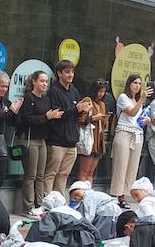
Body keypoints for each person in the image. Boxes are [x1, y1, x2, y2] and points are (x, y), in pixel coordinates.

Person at [43, 59, 89, 198]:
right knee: (51, 173)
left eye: (72, 72)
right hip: (56, 140)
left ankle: (59, 202)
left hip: (71, 140)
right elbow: (58, 114)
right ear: (59, 73)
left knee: (64, 175)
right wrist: (76, 109)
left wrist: (85, 111)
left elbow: (77, 113)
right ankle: (47, 202)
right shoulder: (53, 91)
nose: (70, 75)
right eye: (67, 72)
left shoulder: (74, 91)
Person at [17, 69, 56, 217]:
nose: (45, 84)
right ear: (33, 81)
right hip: (29, 139)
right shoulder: (28, 98)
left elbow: (47, 119)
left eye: (46, 81)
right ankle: (28, 206)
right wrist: (46, 117)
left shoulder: (46, 99)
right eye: (42, 81)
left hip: (42, 139)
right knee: (30, 175)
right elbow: (27, 119)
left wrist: (52, 117)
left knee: (41, 175)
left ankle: (40, 205)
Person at [28, 191, 97, 247]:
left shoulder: (51, 215)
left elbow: (44, 234)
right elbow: (94, 232)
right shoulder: (77, 214)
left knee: (38, 227)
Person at [109, 74, 145, 201]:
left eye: (140, 83)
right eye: (135, 83)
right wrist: (141, 100)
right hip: (124, 132)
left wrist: (147, 119)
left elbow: (137, 118)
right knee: (121, 165)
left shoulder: (138, 101)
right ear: (129, 84)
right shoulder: (123, 97)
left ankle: (125, 195)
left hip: (137, 134)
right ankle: (117, 195)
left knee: (132, 167)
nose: (137, 86)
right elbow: (131, 112)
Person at [75, 79, 110, 182]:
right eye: (99, 91)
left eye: (103, 91)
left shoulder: (102, 104)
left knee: (91, 172)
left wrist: (104, 119)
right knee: (84, 171)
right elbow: (79, 119)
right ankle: (80, 193)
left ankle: (88, 193)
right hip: (89, 138)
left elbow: (103, 124)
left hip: (98, 140)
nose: (101, 94)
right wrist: (93, 118)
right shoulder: (87, 100)